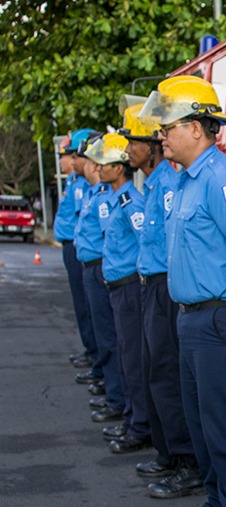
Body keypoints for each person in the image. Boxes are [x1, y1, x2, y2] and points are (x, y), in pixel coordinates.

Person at [138, 75, 226, 507]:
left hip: (220, 320)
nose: (161, 135)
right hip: (192, 318)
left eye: (167, 127)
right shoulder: (186, 181)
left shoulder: (222, 179)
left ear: (195, 128)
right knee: (202, 426)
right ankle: (218, 506)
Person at [119, 95, 202, 498]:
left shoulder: (169, 182)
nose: (128, 150)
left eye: (135, 141)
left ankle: (186, 461)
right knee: (155, 372)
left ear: (152, 147)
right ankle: (168, 452)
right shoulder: (153, 184)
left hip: (167, 287)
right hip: (151, 286)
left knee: (168, 374)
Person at [85, 132, 151, 455]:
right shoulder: (114, 199)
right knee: (126, 358)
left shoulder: (130, 202)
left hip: (129, 288)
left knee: (134, 361)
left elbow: (145, 243)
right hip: (117, 288)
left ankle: (140, 426)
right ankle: (130, 417)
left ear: (121, 167)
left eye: (106, 163)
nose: (99, 168)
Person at [73, 134, 127, 424]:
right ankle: (113, 391)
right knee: (104, 333)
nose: (86, 164)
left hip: (101, 269)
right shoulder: (97, 193)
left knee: (109, 337)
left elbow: (111, 239)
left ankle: (117, 398)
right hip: (94, 268)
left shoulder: (107, 198)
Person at [54, 130, 97, 370]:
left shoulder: (82, 184)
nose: (65, 160)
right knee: (82, 302)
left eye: (68, 155)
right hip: (72, 245)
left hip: (77, 246)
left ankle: (94, 352)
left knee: (87, 303)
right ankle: (91, 350)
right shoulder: (73, 181)